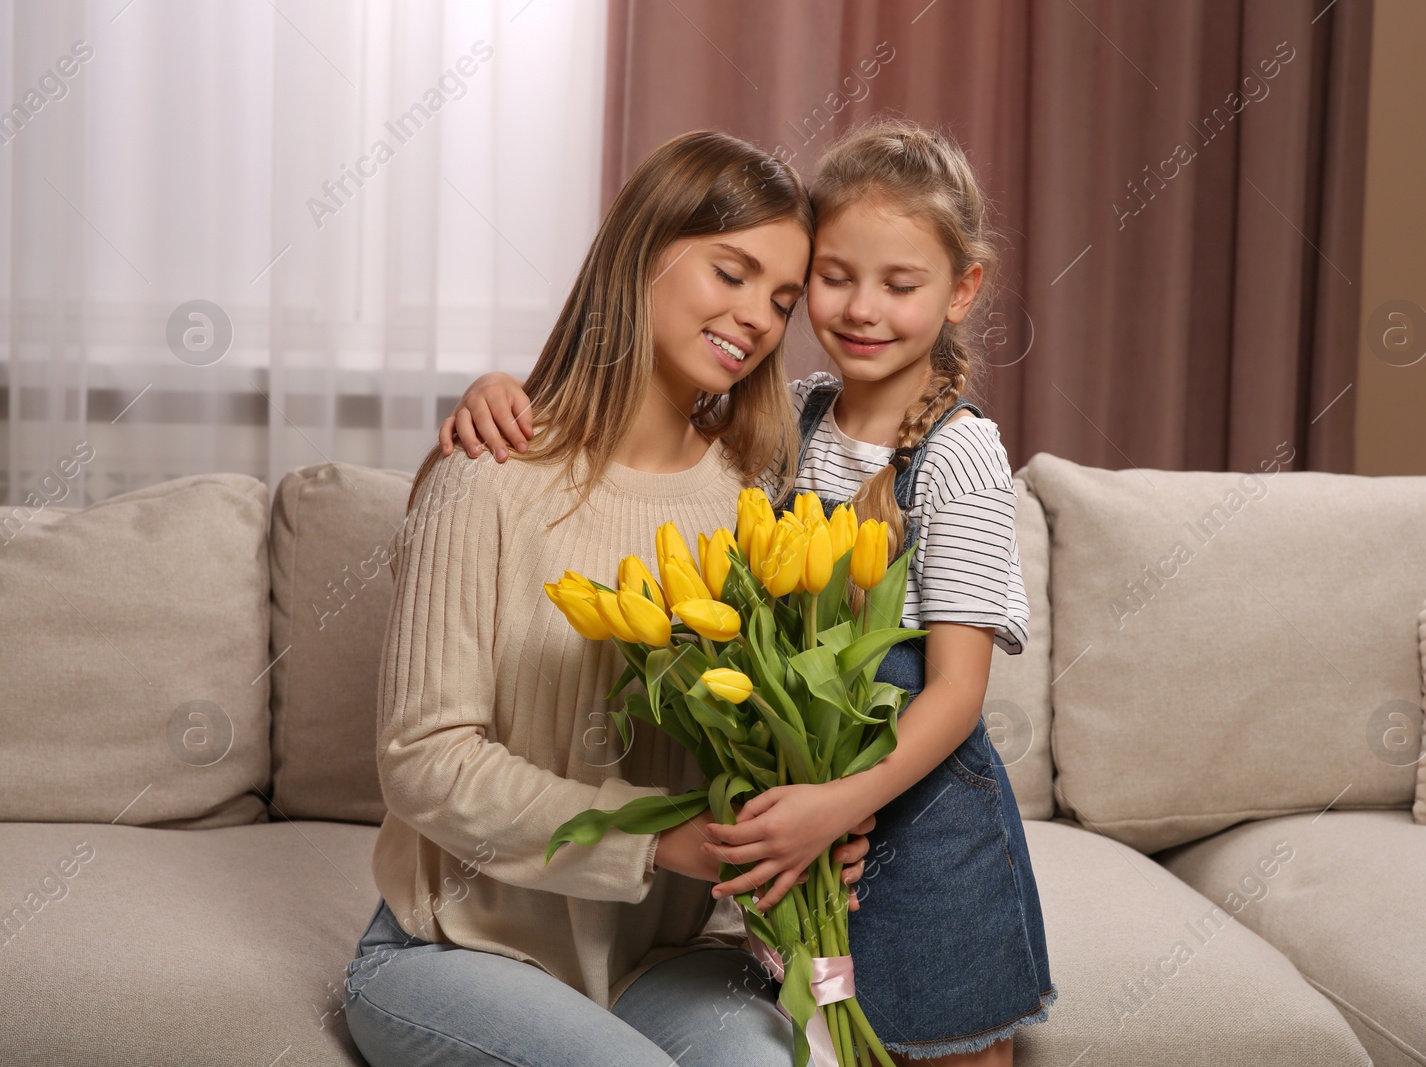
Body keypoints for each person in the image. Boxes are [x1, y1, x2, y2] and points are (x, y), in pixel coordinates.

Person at [443, 118, 1054, 1067]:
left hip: (927, 841)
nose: (861, 309)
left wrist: (838, 801)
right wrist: (499, 387)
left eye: (901, 285)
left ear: (962, 290)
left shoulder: (960, 454)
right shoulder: (787, 417)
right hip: (804, 846)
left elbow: (958, 692)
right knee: (821, 1039)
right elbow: (635, 430)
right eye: (834, 277)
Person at [346, 129, 878, 1067]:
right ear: (645, 251)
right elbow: (422, 758)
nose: (756, 316)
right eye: (732, 272)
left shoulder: (751, 505)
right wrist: (657, 840)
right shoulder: (491, 478)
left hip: (670, 960)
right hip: (456, 951)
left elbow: (753, 745)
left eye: (781, 299)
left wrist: (809, 821)